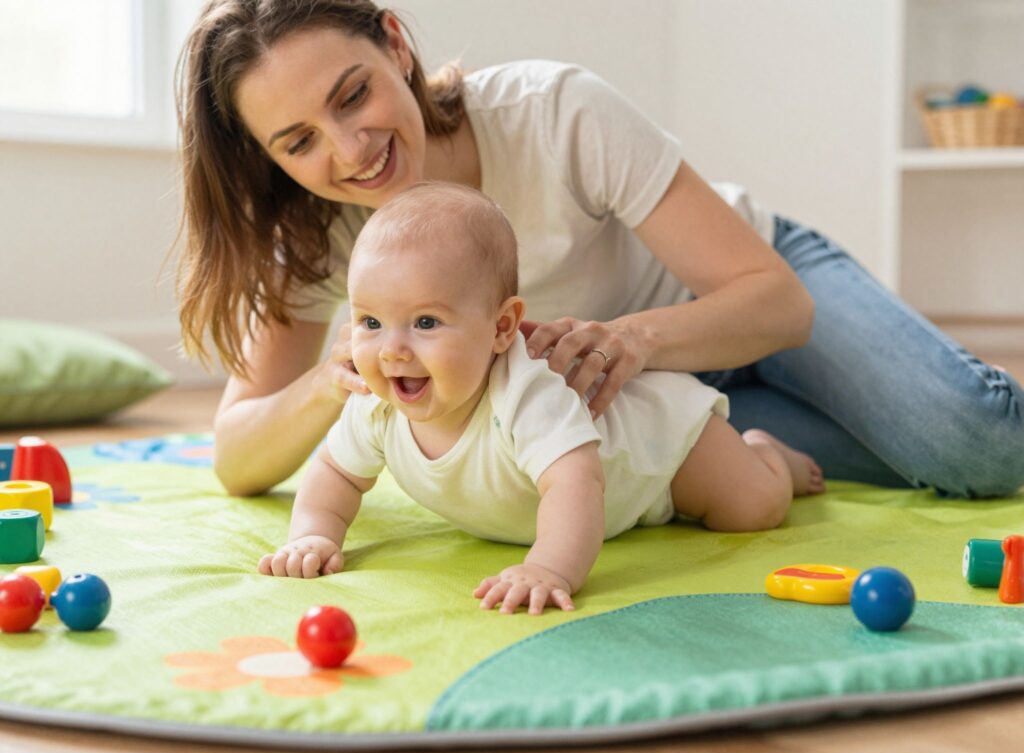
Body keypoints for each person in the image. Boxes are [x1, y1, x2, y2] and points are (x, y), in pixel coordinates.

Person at [176, 0, 1024, 500]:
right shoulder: (313, 230)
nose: (350, 149)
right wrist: (331, 381)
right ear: (270, 158)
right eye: (299, 141)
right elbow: (237, 453)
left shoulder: (554, 112)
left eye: (353, 94)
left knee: (979, 447)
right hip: (652, 388)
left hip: (740, 292)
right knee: (915, 464)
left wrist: (635, 338)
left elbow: (779, 301)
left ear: (396, 43)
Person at [258, 183, 824, 614]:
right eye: (371, 322)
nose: (393, 350)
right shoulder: (375, 402)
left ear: (502, 328)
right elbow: (335, 472)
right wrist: (313, 533)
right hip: (622, 499)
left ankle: (771, 454)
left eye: (426, 322)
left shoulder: (523, 394)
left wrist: (548, 567)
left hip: (663, 453)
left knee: (753, 508)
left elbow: (574, 483)